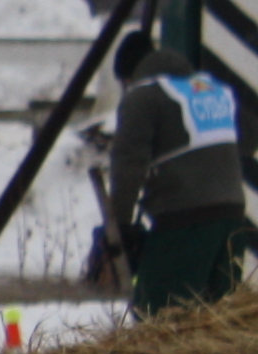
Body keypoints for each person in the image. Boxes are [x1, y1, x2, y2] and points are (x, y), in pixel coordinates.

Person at [102, 29, 249, 317]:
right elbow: (249, 137)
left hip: (184, 221)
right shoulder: (210, 91)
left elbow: (128, 166)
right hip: (233, 219)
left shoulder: (141, 97)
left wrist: (119, 225)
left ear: (129, 76)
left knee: (158, 318)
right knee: (218, 322)